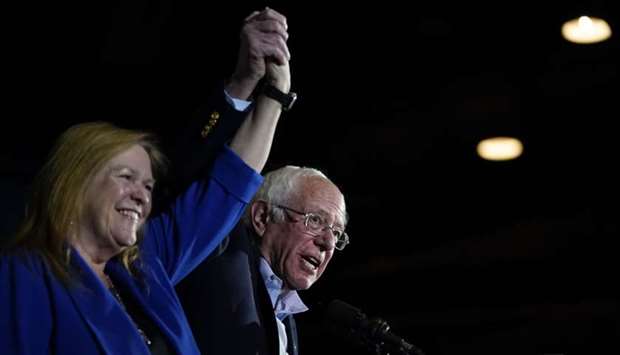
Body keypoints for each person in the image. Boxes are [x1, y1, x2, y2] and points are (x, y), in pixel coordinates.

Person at [0, 8, 290, 354]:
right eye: (127, 177)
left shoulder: (148, 263)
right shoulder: (25, 275)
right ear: (74, 181)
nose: (142, 195)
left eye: (149, 186)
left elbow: (230, 184)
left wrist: (275, 92)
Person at [177, 164, 349, 355]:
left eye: (336, 233)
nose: (328, 243)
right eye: (315, 220)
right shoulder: (216, 262)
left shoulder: (287, 321)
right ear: (262, 217)